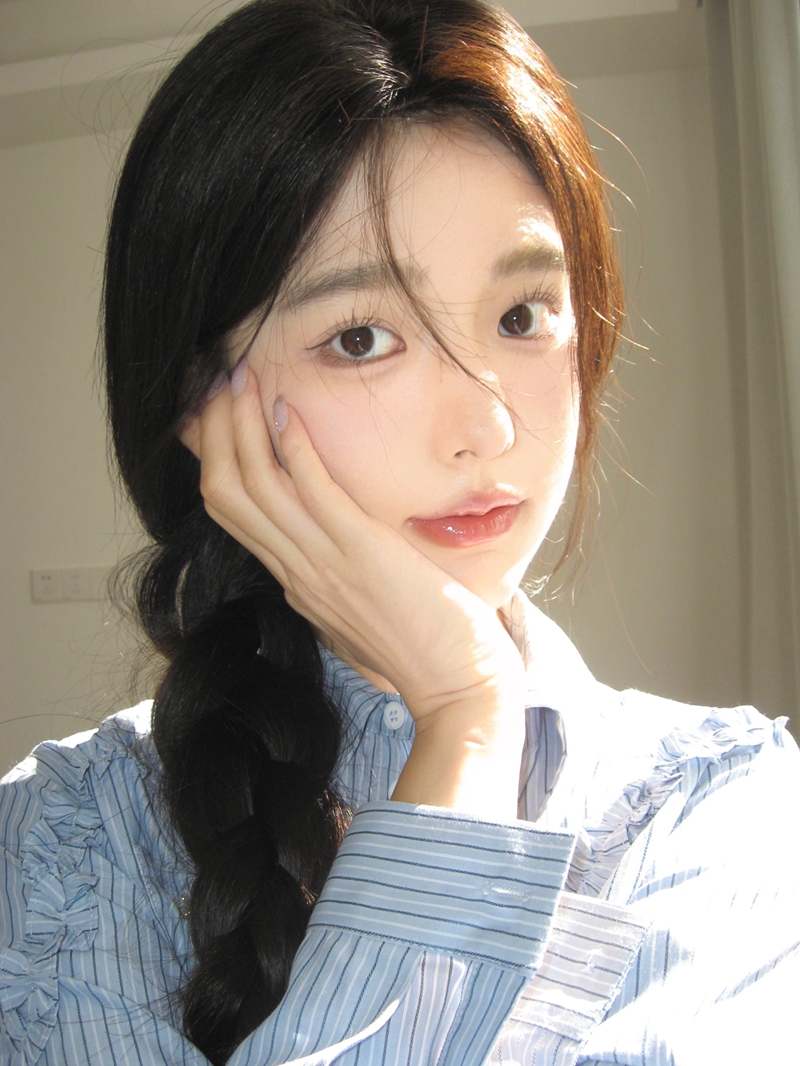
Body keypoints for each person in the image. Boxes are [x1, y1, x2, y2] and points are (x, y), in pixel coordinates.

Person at [1, 1, 798, 1063]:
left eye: (522, 317)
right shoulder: (64, 843)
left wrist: (465, 706)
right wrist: (462, 722)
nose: (487, 426)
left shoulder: (723, 803)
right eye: (362, 338)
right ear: (198, 402)